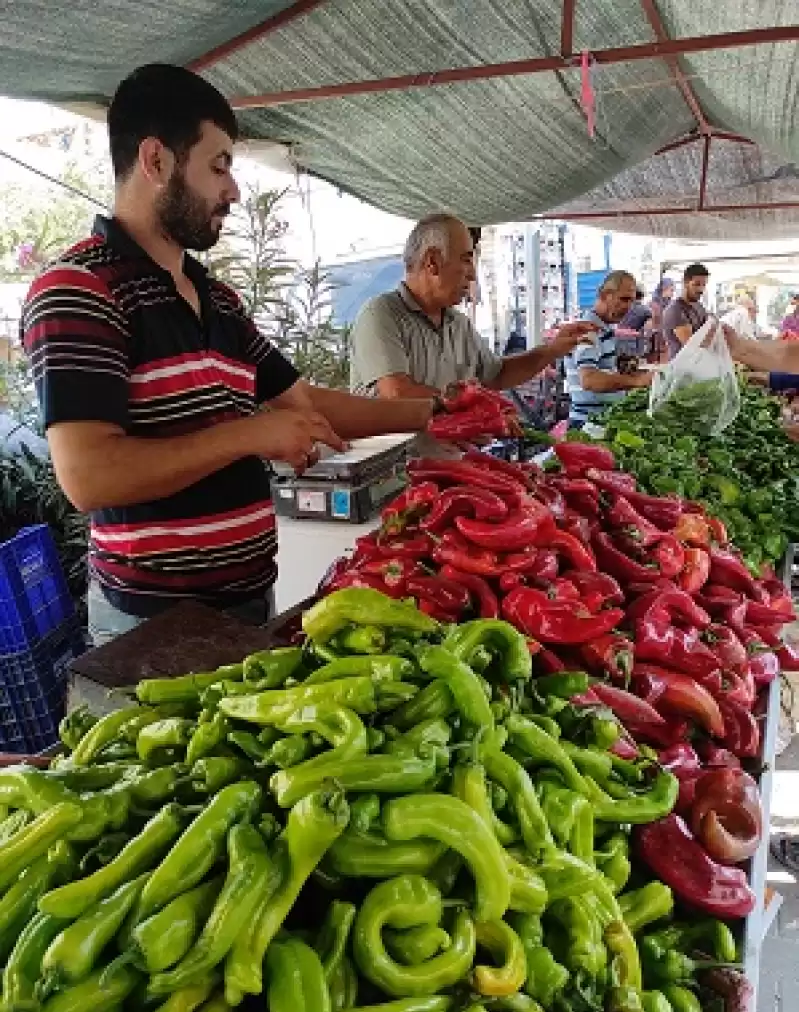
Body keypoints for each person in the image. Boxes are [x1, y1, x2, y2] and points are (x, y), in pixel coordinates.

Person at [20, 65, 499, 646]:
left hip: (250, 600)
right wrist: (250, 435)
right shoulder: (79, 289)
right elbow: (89, 475)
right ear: (156, 161)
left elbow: (305, 400)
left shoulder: (219, 302)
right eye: (219, 166)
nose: (234, 190)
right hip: (152, 624)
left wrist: (444, 415)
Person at [349, 214, 590, 398]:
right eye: (466, 260)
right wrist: (476, 409)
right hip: (398, 464)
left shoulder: (459, 323)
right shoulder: (381, 315)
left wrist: (552, 350)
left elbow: (496, 375)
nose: (473, 274)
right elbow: (397, 393)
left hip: (453, 461)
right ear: (432, 262)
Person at [563, 271, 654, 430]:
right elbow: (589, 380)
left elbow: (601, 368)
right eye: (623, 299)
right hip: (588, 425)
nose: (628, 307)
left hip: (601, 420)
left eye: (631, 301)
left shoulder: (604, 329)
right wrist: (636, 381)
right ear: (604, 295)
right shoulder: (589, 331)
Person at [662, 263, 710, 359]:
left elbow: (709, 332)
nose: (701, 289)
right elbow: (692, 346)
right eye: (696, 284)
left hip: (699, 365)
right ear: (685, 283)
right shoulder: (675, 310)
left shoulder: (699, 307)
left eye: (704, 285)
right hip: (681, 369)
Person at [648, 277, 675, 361]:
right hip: (656, 342)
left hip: (667, 342)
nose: (673, 293)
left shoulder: (671, 304)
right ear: (664, 289)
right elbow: (651, 324)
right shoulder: (653, 305)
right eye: (671, 290)